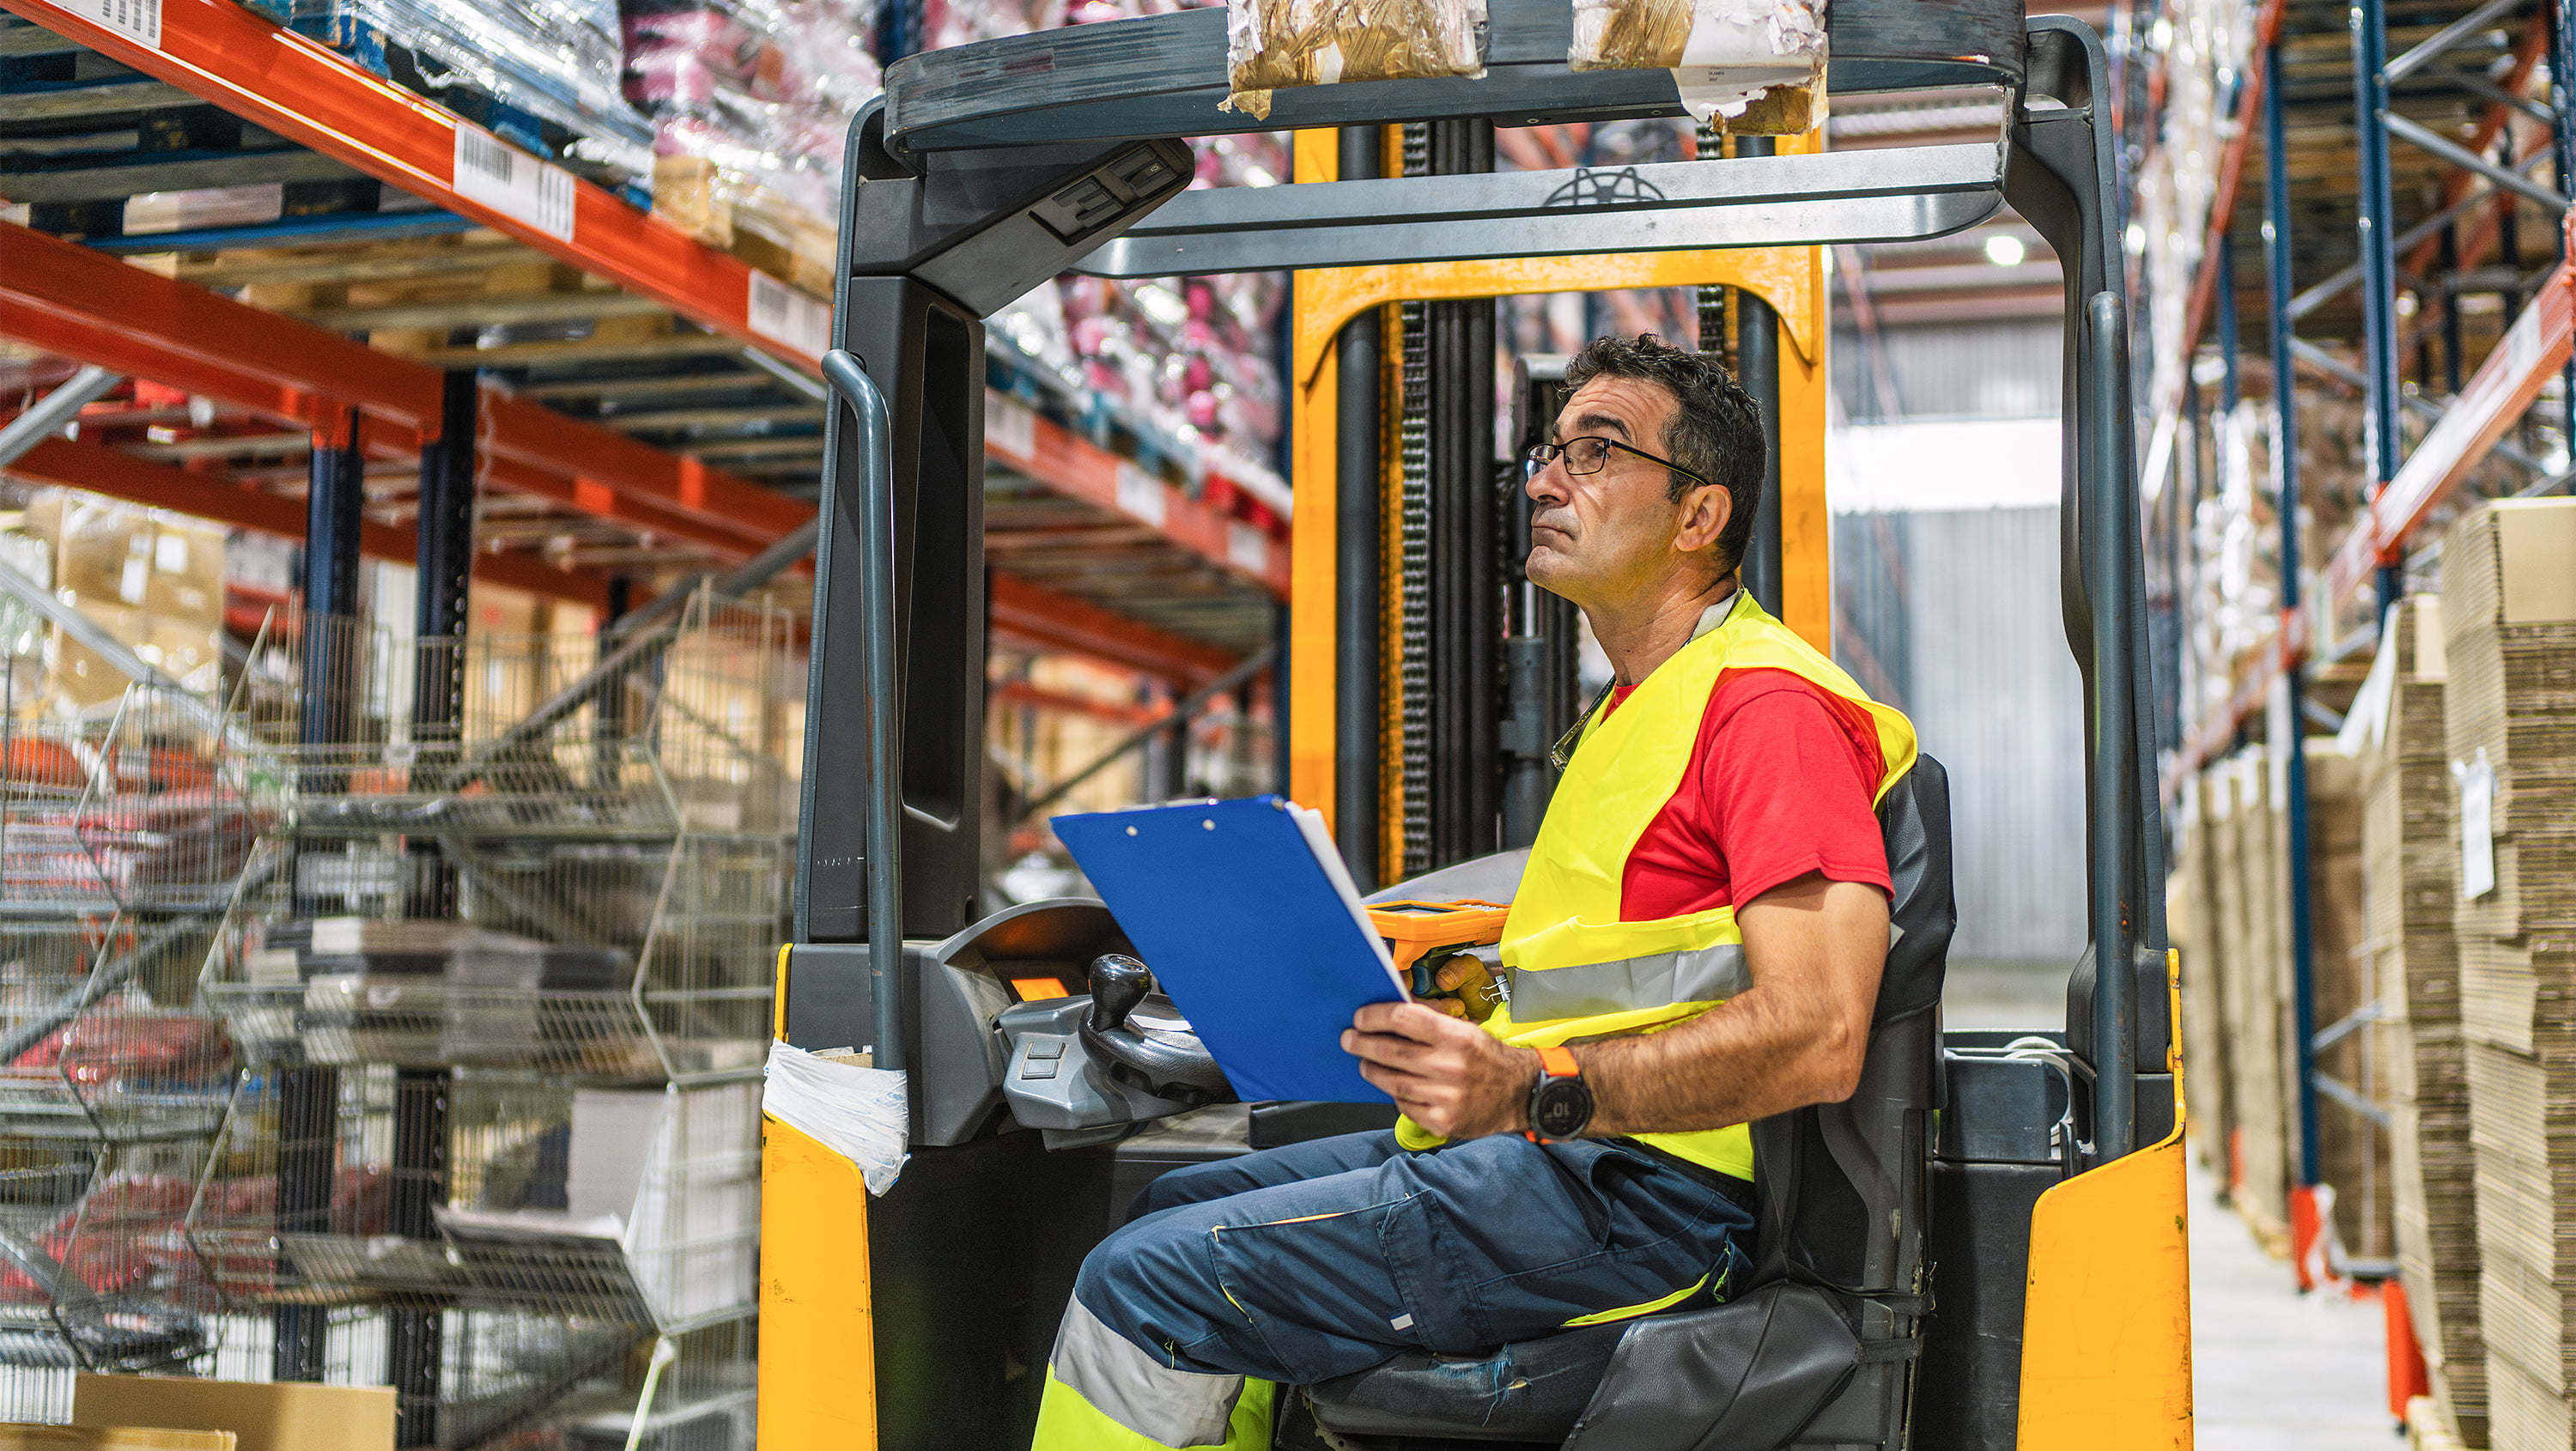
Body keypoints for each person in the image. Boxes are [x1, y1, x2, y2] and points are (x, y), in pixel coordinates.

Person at [1030, 333, 1918, 1451]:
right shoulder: (1633, 708)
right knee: (1167, 1208)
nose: (1545, 479)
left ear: (1700, 517)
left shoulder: (1767, 710)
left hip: (1646, 1201)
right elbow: (1615, 969)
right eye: (1551, 450)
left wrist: (1531, 1087)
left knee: (1140, 1282)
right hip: (1568, 1161)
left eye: (1599, 452)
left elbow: (1819, 1029)